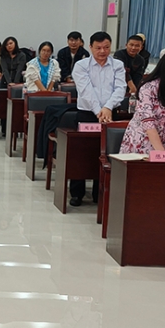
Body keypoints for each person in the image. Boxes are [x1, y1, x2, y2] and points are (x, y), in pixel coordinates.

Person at [70, 31, 126, 206]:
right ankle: (77, 193)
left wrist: (108, 107)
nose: (103, 51)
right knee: (81, 153)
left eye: (106, 47)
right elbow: (85, 90)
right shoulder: (81, 65)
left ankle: (99, 192)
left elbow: (120, 88)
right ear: (90, 47)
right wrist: (99, 111)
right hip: (87, 114)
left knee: (106, 152)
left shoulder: (117, 65)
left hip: (111, 114)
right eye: (98, 48)